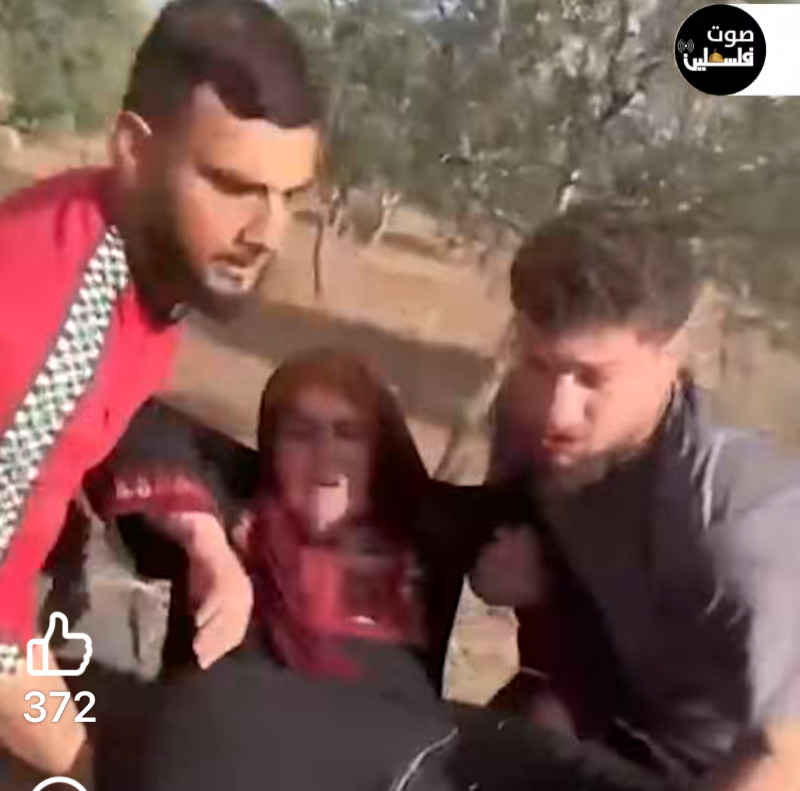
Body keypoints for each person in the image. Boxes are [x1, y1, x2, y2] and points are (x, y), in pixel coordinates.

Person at [0, 0, 319, 780]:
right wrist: (82, 766)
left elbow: (105, 402)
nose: (265, 232)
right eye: (233, 185)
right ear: (133, 149)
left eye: (290, 196)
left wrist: (197, 531)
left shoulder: (138, 251)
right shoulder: (46, 323)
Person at [470, 203, 800, 790]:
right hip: (598, 716)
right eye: (540, 365)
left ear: (671, 354)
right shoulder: (525, 420)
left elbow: (785, 757)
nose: (558, 411)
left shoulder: (737, 515)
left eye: (593, 378)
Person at [86, 350, 519, 699]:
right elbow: (131, 421)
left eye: (348, 433)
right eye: (300, 433)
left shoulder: (426, 528)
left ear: (378, 452)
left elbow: (538, 507)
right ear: (273, 449)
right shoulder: (239, 506)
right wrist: (209, 548)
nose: (325, 453)